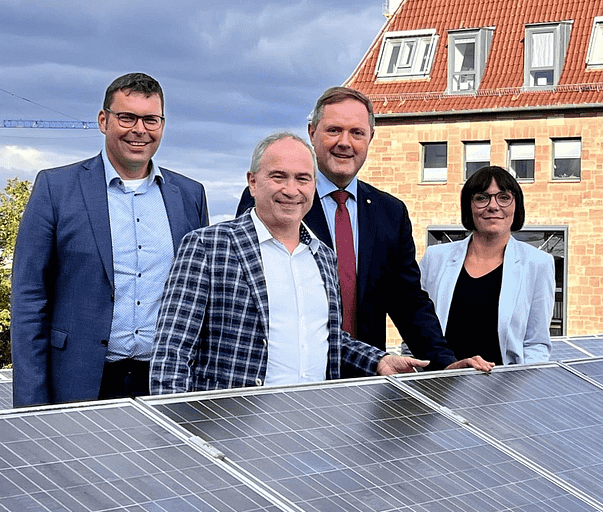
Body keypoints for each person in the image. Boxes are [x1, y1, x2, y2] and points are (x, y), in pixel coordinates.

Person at [150, 133, 431, 394]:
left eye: (303, 179)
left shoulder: (322, 256)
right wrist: (178, 432)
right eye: (278, 176)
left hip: (311, 424)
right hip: (230, 427)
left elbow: (328, 339)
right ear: (253, 181)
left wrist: (378, 360)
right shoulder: (208, 246)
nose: (291, 190)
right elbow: (172, 350)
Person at [11, 72, 208, 406]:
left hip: (165, 384)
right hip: (79, 382)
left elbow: (199, 298)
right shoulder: (56, 189)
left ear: (162, 124)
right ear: (104, 121)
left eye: (151, 120)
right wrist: (30, 403)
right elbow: (29, 300)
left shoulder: (189, 195)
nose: (139, 130)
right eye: (127, 117)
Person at [236, 86, 466, 372]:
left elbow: (408, 301)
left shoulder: (390, 214)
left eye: (357, 133)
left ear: (370, 137)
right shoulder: (275, 199)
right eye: (334, 130)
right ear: (311, 133)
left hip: (369, 376)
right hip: (289, 380)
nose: (345, 143)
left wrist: (446, 364)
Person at [418, 166, 554, 365]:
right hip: (442, 384)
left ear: (516, 206)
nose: (493, 206)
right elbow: (418, 326)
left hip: (506, 388)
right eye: (482, 198)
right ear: (469, 206)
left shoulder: (538, 264)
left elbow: (537, 343)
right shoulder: (435, 258)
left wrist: (524, 390)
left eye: (504, 197)